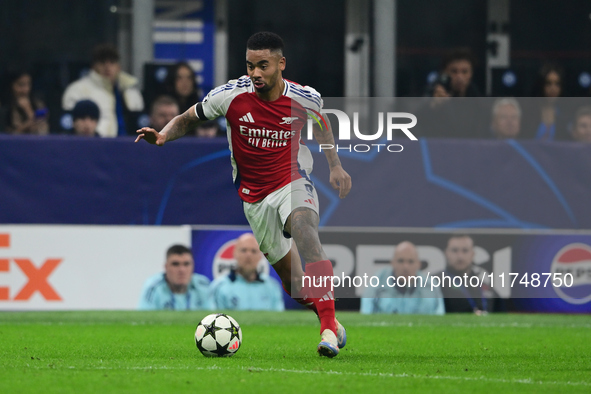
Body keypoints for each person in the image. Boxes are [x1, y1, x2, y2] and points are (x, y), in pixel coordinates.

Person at [136, 32, 352, 357]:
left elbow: (321, 124)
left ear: (281, 64)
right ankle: (330, 318)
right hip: (254, 197)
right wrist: (164, 136)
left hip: (293, 180)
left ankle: (326, 332)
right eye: (250, 65)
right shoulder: (231, 95)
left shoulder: (305, 98)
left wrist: (335, 166)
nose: (255, 74)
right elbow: (189, 117)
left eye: (263, 66)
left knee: (306, 232)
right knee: (295, 285)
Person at [62, 43, 144, 137]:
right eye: (102, 62)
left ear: (118, 66)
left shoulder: (132, 91)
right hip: (96, 145)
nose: (107, 67)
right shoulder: (77, 90)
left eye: (112, 62)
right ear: (93, 66)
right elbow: (70, 125)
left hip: (128, 145)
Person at [360, 241, 444, 315]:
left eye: (410, 261)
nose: (405, 267)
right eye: (401, 261)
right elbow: (366, 313)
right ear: (392, 263)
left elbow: (439, 317)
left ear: (418, 264)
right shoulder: (378, 281)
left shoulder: (430, 286)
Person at [208, 233, 284, 311]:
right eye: (243, 250)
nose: (248, 255)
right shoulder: (219, 287)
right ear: (234, 253)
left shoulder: (272, 287)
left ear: (260, 256)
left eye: (253, 251)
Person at [138, 244, 210, 310]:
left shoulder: (204, 285)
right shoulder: (153, 287)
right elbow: (143, 320)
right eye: (175, 264)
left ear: (193, 266)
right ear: (166, 267)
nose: (182, 270)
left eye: (186, 264)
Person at [438, 234, 495, 315]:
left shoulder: (485, 287)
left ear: (472, 254)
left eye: (465, 250)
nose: (460, 256)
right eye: (454, 250)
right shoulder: (434, 283)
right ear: (446, 253)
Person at [522, 63, 570, 141]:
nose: (553, 88)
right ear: (541, 85)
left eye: (557, 84)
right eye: (548, 83)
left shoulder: (565, 115)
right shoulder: (529, 113)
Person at [4, 70, 49, 135]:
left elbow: (42, 132)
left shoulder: (38, 104)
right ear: (12, 86)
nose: (26, 90)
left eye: (28, 84)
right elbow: (11, 136)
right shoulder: (6, 108)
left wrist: (28, 110)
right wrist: (26, 125)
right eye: (21, 85)